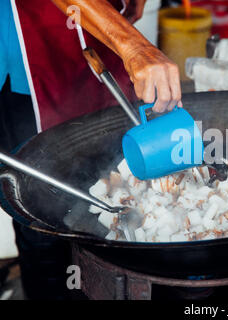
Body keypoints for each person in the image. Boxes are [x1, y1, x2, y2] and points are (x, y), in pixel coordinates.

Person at [0, 0, 181, 299]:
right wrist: (135, 46)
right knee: (42, 216)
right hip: (29, 50)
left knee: (108, 162)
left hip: (101, 34)